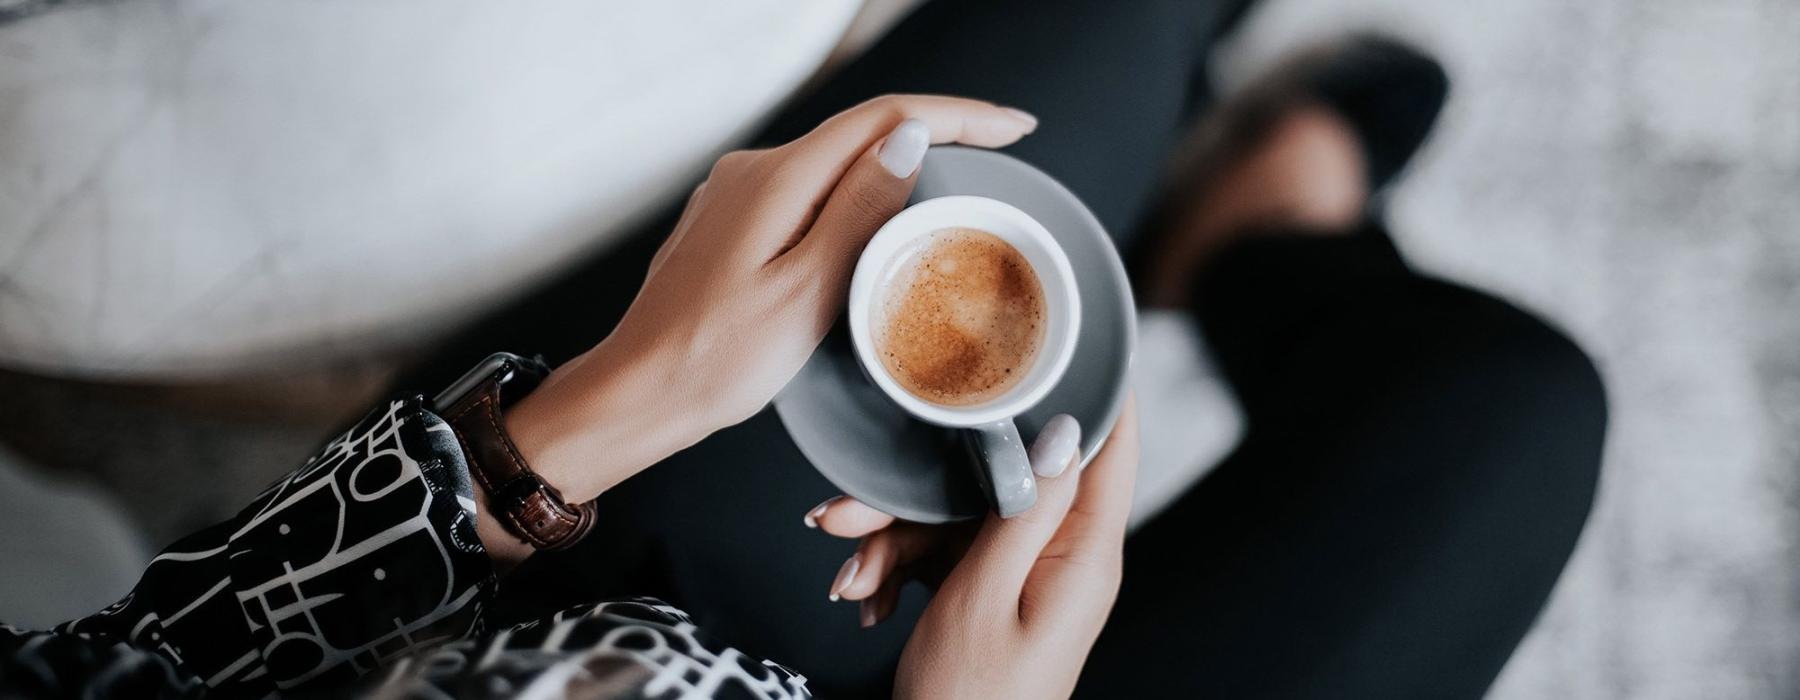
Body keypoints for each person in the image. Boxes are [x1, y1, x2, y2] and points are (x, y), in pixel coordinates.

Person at [1, 0, 1608, 698]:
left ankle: (1215, 187)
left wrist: (574, 426)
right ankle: (1263, 243)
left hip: (551, 603)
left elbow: (127, 667)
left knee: (1097, 40)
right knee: (1513, 410)